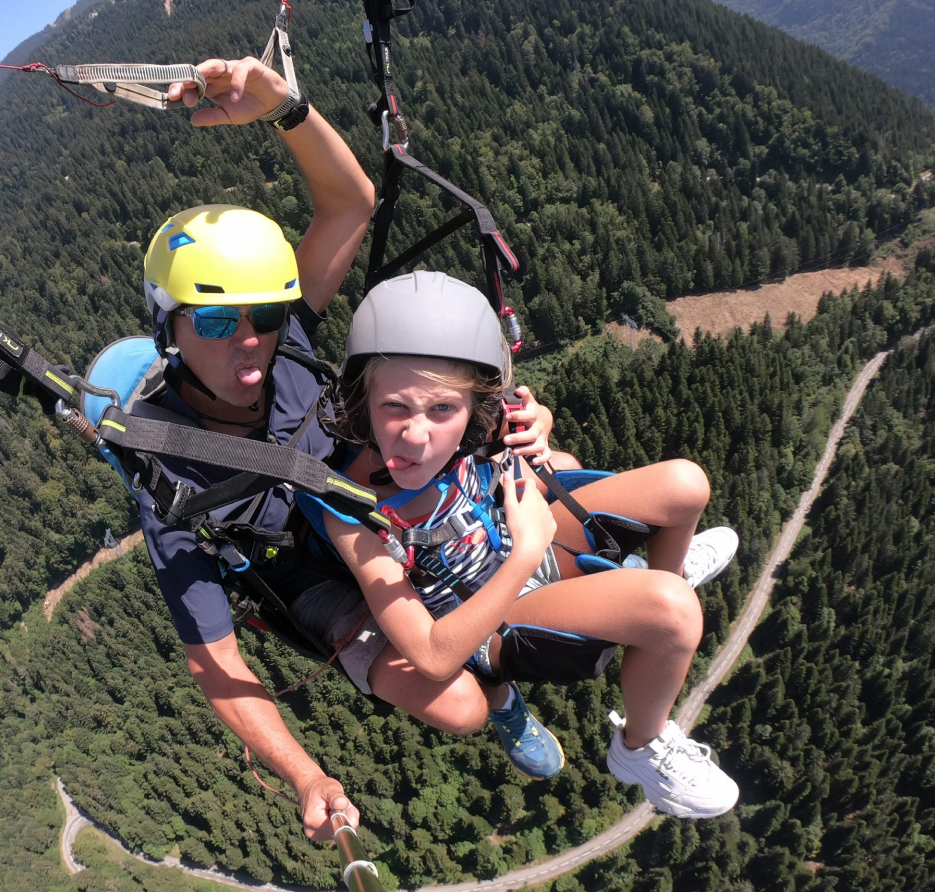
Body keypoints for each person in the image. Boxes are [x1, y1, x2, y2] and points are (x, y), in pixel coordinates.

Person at [136, 57, 556, 839]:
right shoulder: (168, 476)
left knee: (547, 471)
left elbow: (350, 203)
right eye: (219, 323)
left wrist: (285, 107)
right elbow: (216, 665)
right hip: (307, 574)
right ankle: (502, 702)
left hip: (383, 493)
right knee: (461, 701)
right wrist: (305, 773)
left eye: (262, 313)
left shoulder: (288, 338)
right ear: (169, 328)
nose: (252, 343)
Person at [298, 271, 740, 818]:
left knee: (685, 484)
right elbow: (434, 656)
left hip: (525, 544)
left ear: (473, 409)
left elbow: (530, 431)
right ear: (363, 401)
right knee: (672, 613)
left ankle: (660, 576)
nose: (415, 435)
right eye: (395, 407)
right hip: (490, 616)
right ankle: (641, 747)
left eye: (441, 409)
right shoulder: (349, 507)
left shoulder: (480, 429)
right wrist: (531, 547)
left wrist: (539, 427)